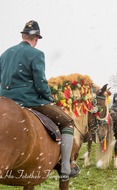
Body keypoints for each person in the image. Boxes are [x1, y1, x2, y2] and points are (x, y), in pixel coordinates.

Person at [0, 20, 79, 181]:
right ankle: (65, 167)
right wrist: (49, 99)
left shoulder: (5, 54)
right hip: (29, 100)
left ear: (22, 35)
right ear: (36, 39)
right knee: (67, 122)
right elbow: (41, 83)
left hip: (5, 99)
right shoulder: (37, 54)